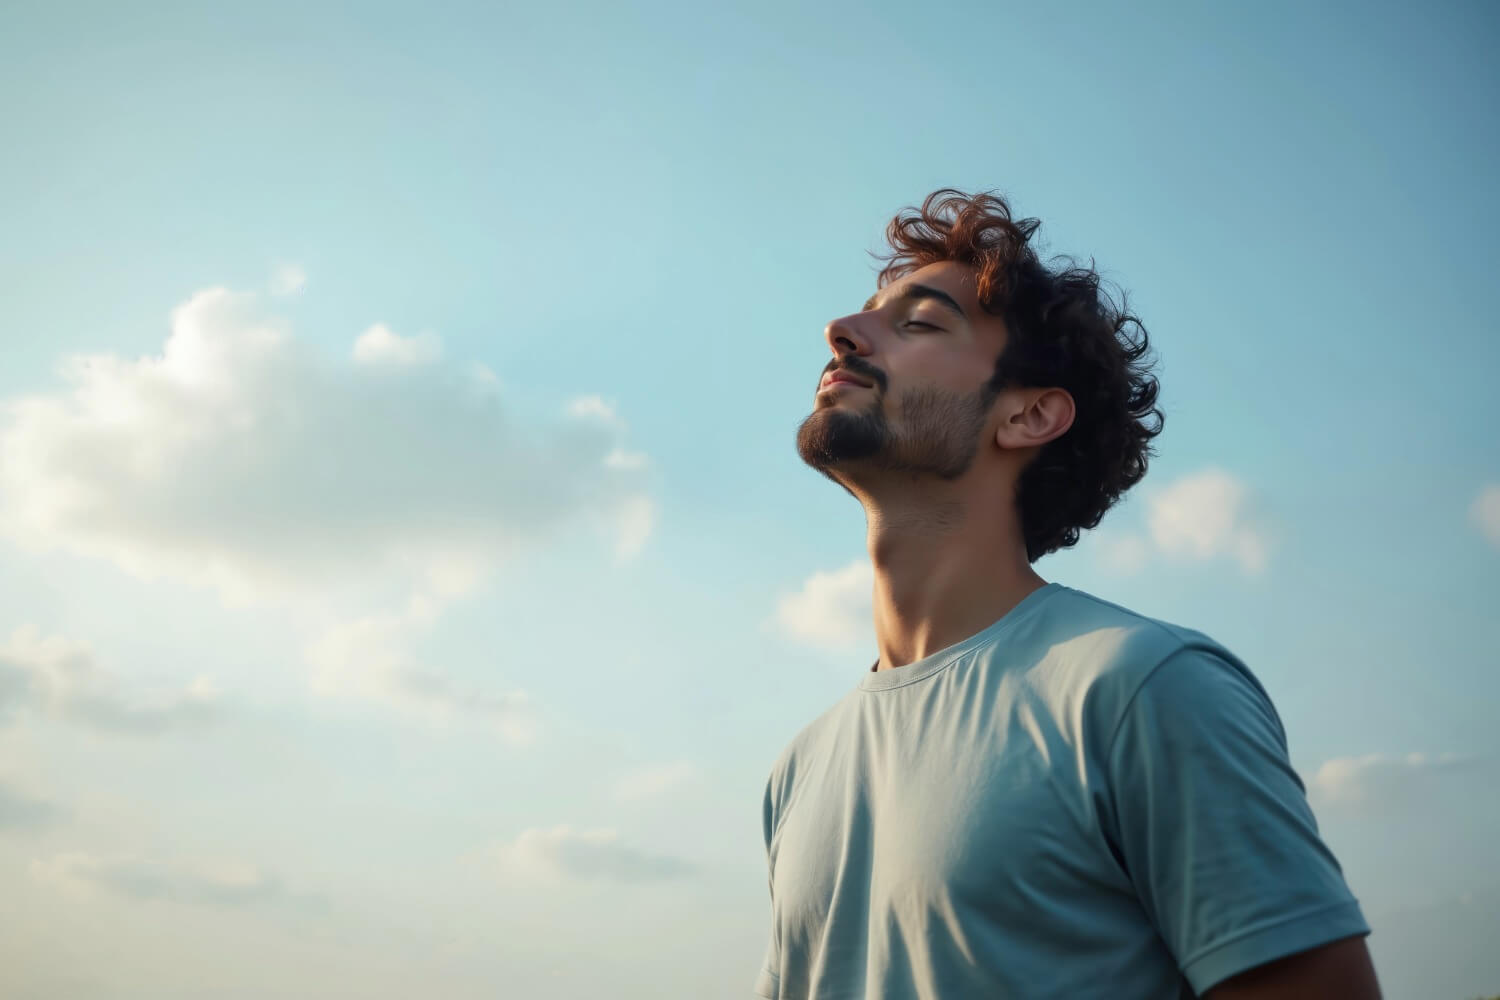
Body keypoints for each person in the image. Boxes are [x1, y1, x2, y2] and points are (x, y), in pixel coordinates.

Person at [755, 189, 1380, 999]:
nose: (842, 330)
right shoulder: (798, 771)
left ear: (1029, 415)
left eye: (919, 322)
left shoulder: (1145, 688)